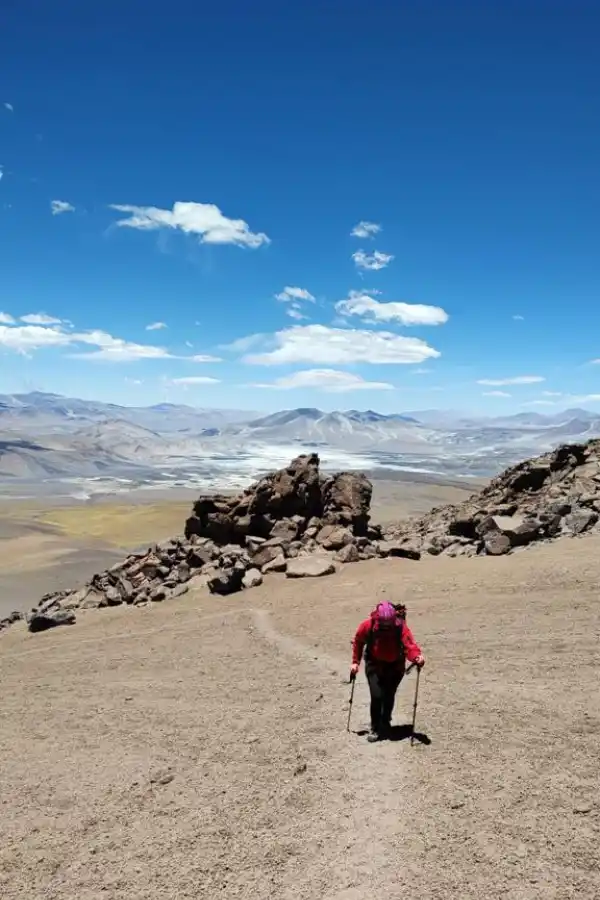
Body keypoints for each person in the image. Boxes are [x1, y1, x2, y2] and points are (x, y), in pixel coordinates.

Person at [350, 601, 425, 742]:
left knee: (389, 694)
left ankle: (385, 721)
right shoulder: (368, 625)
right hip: (374, 665)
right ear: (377, 618)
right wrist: (355, 662)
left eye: (388, 624)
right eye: (383, 625)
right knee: (377, 695)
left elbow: (410, 645)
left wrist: (416, 656)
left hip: (395, 666)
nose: (385, 627)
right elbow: (359, 641)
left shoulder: (400, 627)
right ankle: (376, 727)